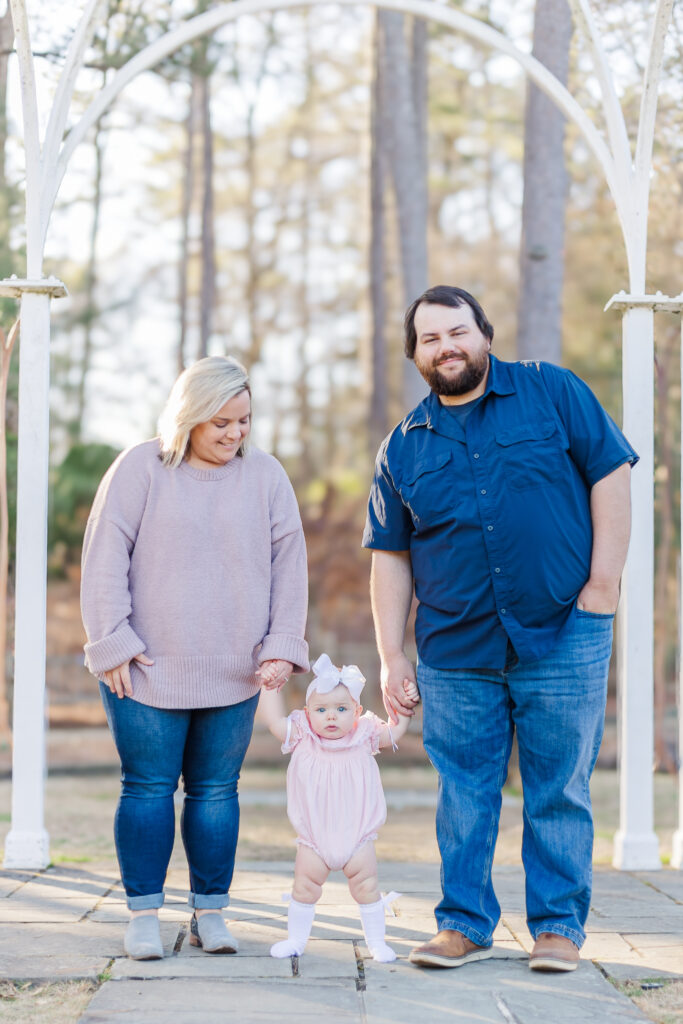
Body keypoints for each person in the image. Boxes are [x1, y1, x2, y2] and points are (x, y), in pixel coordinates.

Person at [363, 285, 637, 973]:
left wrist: (603, 585)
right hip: (455, 648)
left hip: (564, 630)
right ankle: (462, 924)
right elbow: (390, 557)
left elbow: (610, 476)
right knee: (464, 794)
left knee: (557, 788)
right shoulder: (402, 446)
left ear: (483, 334)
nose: (446, 346)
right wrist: (390, 653)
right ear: (415, 354)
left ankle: (556, 929)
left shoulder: (552, 391)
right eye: (429, 339)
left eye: (457, 331)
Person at [81, 356, 309, 961]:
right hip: (144, 668)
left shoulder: (266, 477)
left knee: (216, 793)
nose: (235, 434)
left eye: (245, 421)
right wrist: (113, 641)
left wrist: (282, 646)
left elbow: (290, 567)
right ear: (188, 417)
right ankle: (143, 916)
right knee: (148, 788)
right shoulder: (140, 468)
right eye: (221, 423)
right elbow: (105, 555)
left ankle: (211, 912)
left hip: (235, 670)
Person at [258, 653, 415, 961]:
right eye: (322, 710)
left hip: (357, 838)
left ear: (356, 712)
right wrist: (269, 685)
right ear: (307, 713)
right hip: (314, 838)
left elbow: (395, 731)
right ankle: (296, 941)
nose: (331, 716)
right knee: (304, 888)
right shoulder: (302, 734)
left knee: (367, 888)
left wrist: (404, 705)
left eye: (341, 709)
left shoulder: (364, 734)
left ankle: (377, 943)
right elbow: (274, 721)